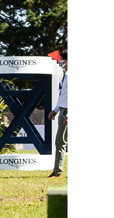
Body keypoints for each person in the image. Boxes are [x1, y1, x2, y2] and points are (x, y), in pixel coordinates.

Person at [48, 50, 68, 178]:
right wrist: (55, 109)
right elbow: (64, 95)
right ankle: (57, 171)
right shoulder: (66, 75)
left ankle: (57, 172)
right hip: (63, 109)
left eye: (63, 60)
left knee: (60, 141)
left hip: (67, 111)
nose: (61, 62)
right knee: (60, 141)